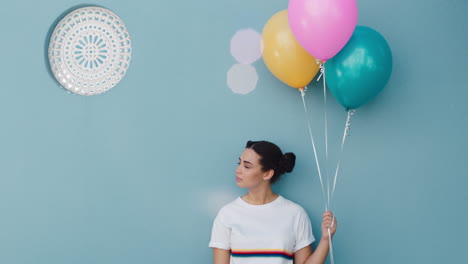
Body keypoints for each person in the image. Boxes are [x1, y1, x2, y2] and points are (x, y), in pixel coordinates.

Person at [209, 140, 337, 264]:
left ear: (267, 174)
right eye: (239, 163)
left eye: (247, 166)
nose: (238, 170)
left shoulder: (295, 213)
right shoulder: (227, 214)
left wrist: (326, 239)